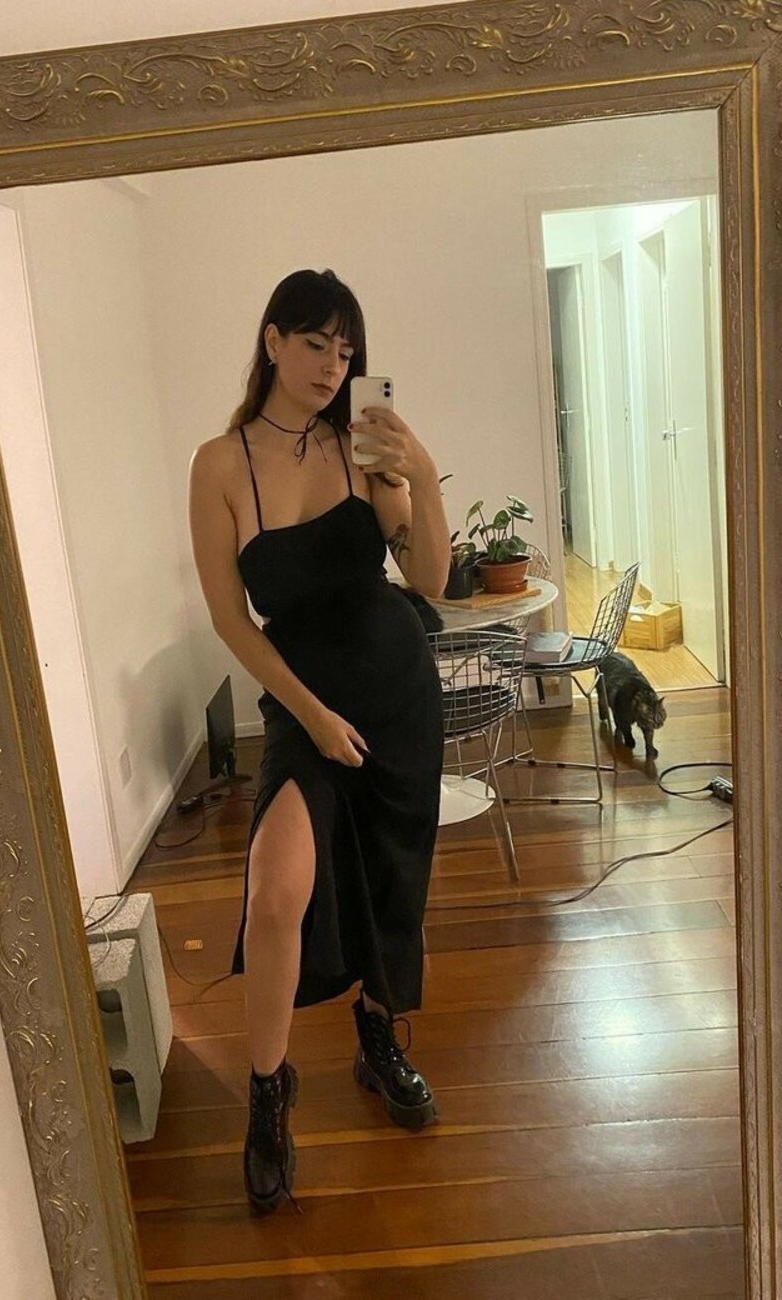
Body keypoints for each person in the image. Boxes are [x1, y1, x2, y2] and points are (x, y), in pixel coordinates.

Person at [188, 268, 451, 1214]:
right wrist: (308, 715)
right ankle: (269, 1093)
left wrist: (418, 472)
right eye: (314, 344)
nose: (333, 367)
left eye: (347, 352)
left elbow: (428, 581)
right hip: (306, 708)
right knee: (277, 890)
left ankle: (379, 1044)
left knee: (392, 880)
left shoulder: (360, 445)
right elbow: (232, 619)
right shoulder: (219, 466)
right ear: (271, 340)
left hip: (396, 698)